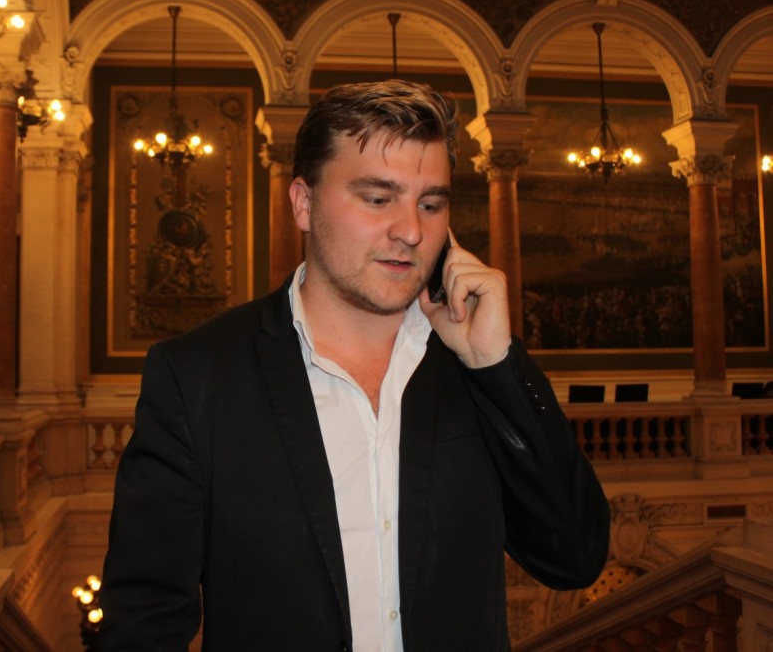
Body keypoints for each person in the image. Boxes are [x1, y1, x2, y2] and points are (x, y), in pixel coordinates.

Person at [100, 79, 610, 652]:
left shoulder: (473, 364)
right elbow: (142, 621)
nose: (411, 231)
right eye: (377, 198)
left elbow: (574, 557)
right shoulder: (198, 376)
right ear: (304, 203)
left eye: (431, 204)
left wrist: (494, 364)